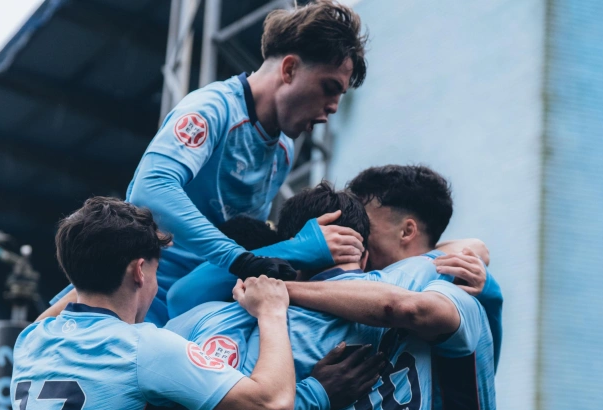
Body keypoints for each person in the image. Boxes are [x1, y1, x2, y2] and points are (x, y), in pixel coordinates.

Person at [45, 0, 369, 325]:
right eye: (329, 88)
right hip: (136, 298)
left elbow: (246, 243)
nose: (333, 109)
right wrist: (247, 257)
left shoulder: (283, 149)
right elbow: (151, 188)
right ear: (289, 69)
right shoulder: (211, 110)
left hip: (197, 305)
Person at [168, 182, 481, 410]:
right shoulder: (418, 280)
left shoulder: (276, 331)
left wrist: (312, 392)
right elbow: (465, 252)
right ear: (365, 254)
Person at [11, 197, 296, 410]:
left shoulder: (30, 341)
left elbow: (57, 307)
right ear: (139, 272)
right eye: (155, 272)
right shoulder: (145, 349)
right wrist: (271, 312)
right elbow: (274, 407)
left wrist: (94, 253)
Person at [285, 165, 502, 410]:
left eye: (363, 227)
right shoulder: (376, 296)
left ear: (407, 231)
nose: (352, 237)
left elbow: (402, 306)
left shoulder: (452, 290)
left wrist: (282, 290)